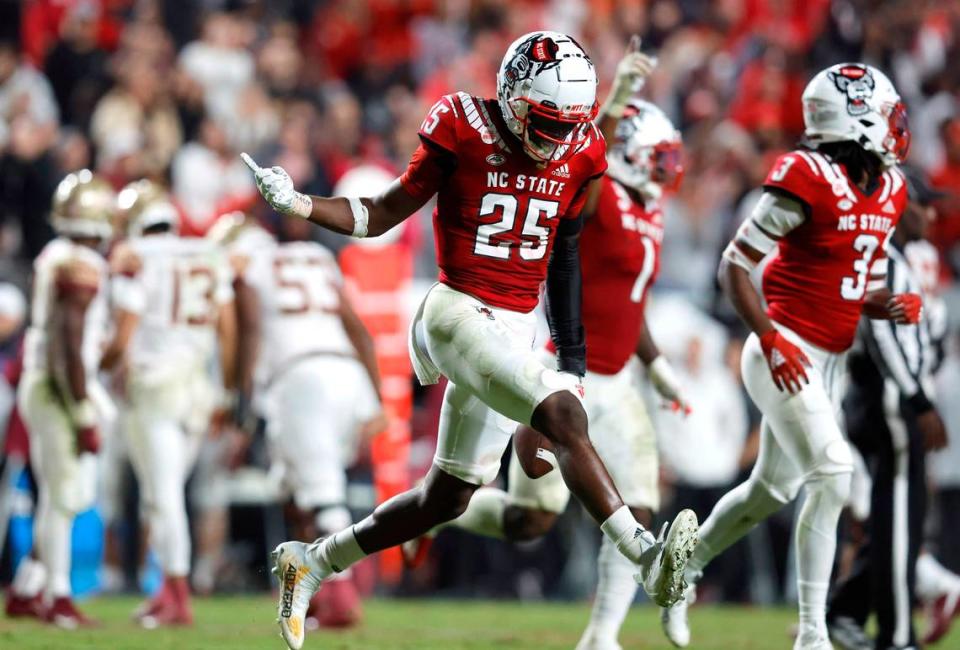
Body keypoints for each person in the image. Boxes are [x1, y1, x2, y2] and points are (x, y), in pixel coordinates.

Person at [242, 31, 699, 650]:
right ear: (512, 96)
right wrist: (299, 202)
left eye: (569, 125)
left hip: (517, 324)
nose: (557, 139)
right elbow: (382, 212)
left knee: (447, 497)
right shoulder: (463, 124)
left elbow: (565, 256)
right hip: (457, 310)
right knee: (564, 416)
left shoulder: (584, 147)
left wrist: (573, 360)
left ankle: (311, 561)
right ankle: (646, 556)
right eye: (545, 121)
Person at [402, 43, 688, 650]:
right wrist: (614, 102)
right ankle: (425, 518)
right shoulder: (599, 190)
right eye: (657, 159)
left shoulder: (649, 214)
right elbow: (576, 161)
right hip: (563, 367)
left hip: (618, 381)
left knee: (636, 510)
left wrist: (658, 367)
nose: (666, 173)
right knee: (528, 520)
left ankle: (602, 636)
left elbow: (625, 303)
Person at [660, 62, 920, 650]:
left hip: (827, 360)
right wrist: (772, 339)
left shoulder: (891, 190)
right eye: (884, 114)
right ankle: (811, 634)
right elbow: (734, 265)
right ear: (854, 121)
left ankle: (680, 565)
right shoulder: (807, 175)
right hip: (782, 346)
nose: (896, 125)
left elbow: (846, 291)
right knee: (833, 473)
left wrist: (888, 304)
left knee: (771, 490)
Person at [209, 210, 384, 629]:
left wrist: (241, 403)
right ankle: (314, 586)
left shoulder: (249, 267)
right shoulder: (313, 256)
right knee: (290, 487)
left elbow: (250, 330)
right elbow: (357, 327)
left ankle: (342, 595)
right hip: (346, 372)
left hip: (299, 378)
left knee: (324, 495)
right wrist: (375, 398)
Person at [98, 179, 236, 627]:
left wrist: (97, 367)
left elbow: (123, 333)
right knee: (164, 495)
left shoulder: (135, 258)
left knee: (164, 495)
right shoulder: (209, 254)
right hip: (198, 387)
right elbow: (229, 327)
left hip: (155, 385)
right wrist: (229, 389)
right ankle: (166, 590)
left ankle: (177, 594)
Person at [825, 168, 947, 650]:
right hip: (889, 398)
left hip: (890, 395)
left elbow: (924, 335)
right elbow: (880, 334)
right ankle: (896, 636)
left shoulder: (900, 259)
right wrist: (918, 399)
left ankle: (847, 610)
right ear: (898, 206)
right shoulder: (886, 259)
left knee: (900, 519)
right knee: (897, 519)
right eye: (923, 204)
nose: (931, 215)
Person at [10, 171, 115, 628]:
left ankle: (27, 587)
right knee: (65, 495)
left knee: (60, 494)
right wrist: (83, 409)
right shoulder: (79, 264)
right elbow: (68, 343)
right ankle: (57, 596)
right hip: (59, 386)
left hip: (50, 381)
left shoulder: (56, 254)